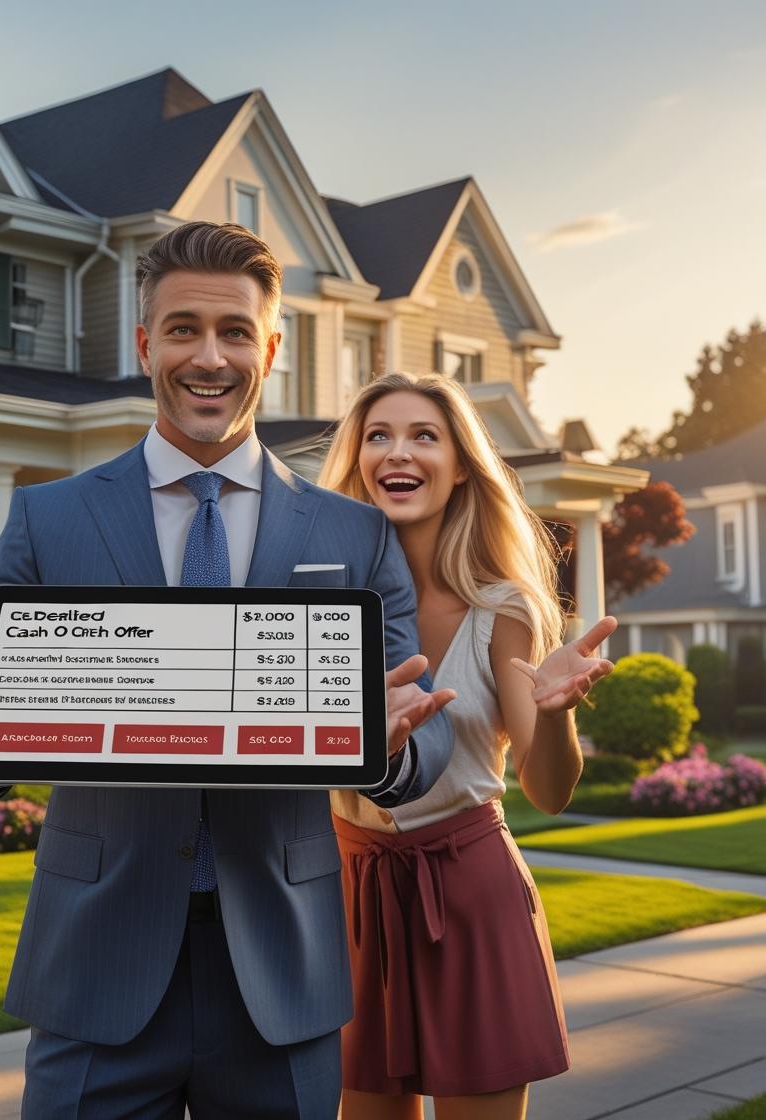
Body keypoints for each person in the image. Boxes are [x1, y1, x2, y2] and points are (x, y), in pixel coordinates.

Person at [0, 222, 454, 1120]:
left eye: (235, 332)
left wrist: (384, 748)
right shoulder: (50, 519)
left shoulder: (354, 534)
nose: (210, 355)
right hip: (95, 971)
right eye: (184, 328)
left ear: (270, 349)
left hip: (282, 974)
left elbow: (424, 738)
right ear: (146, 342)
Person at [319, 371, 616, 1120]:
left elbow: (549, 791)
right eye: (379, 435)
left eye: (425, 435)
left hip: (470, 892)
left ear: (460, 466)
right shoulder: (317, 605)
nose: (399, 452)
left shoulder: (503, 607)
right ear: (356, 460)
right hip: (348, 896)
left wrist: (553, 714)